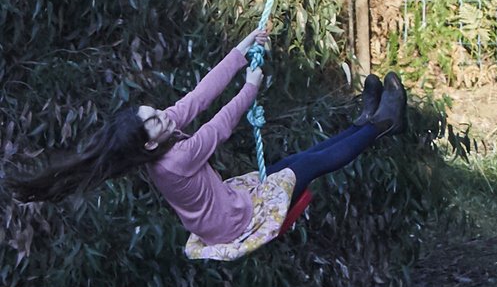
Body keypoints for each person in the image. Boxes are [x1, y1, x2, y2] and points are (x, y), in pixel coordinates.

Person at [5, 42, 406, 262]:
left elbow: (199, 97)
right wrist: (251, 85)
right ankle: (383, 123)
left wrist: (240, 50)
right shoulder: (176, 159)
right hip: (236, 222)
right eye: (157, 120)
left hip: (228, 205)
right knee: (310, 164)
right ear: (149, 142)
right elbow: (221, 123)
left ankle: (364, 122)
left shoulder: (159, 137)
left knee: (293, 163)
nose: (164, 115)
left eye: (156, 112)